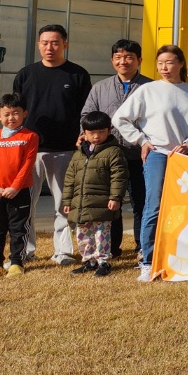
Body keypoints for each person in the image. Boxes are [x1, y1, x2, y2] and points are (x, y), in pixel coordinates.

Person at [113, 45, 188, 280]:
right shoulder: (148, 90)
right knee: (153, 206)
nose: (164, 67)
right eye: (160, 63)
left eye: (169, 62)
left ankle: (180, 255)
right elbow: (120, 118)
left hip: (184, 157)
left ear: (180, 64)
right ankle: (148, 260)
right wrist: (142, 141)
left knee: (183, 206)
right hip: (157, 154)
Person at [12, 24, 92, 264]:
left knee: (63, 204)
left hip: (65, 150)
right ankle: (24, 251)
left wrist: (82, 136)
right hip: (29, 150)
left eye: (55, 43)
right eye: (45, 43)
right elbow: (15, 112)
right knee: (25, 203)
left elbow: (85, 112)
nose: (50, 47)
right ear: (38, 45)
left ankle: (63, 251)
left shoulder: (77, 74)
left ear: (65, 44)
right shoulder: (25, 74)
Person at [81, 38, 151, 258]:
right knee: (112, 203)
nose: (123, 62)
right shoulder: (100, 88)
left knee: (142, 202)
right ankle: (111, 247)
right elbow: (86, 115)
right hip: (108, 156)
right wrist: (86, 134)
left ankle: (142, 246)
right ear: (112, 60)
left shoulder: (150, 87)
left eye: (129, 57)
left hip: (140, 155)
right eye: (118, 57)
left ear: (139, 60)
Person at [60, 111, 129, 277]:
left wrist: (115, 197)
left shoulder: (113, 152)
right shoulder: (79, 154)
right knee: (83, 234)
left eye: (101, 132)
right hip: (81, 204)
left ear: (109, 131)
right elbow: (69, 179)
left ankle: (103, 262)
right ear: (84, 133)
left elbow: (119, 176)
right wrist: (67, 201)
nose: (96, 136)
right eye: (91, 133)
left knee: (101, 234)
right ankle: (89, 260)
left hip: (102, 203)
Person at [0, 94, 37, 279]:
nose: (11, 117)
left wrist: (15, 187)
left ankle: (17, 262)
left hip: (20, 191)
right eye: (6, 114)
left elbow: (27, 165)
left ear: (24, 113)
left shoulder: (30, 136)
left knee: (19, 228)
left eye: (16, 113)